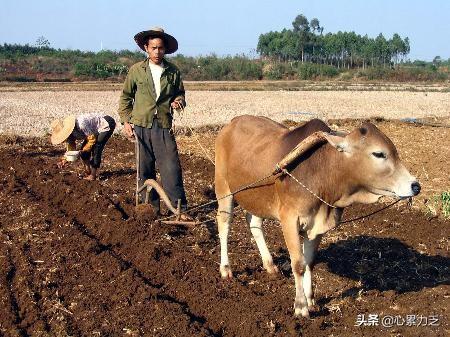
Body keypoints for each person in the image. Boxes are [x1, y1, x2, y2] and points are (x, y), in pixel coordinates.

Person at [118, 27, 188, 216]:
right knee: (145, 170)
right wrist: (126, 121)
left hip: (164, 126)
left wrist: (178, 101)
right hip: (141, 126)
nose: (157, 52)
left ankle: (179, 209)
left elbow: (180, 94)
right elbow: (125, 97)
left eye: (161, 48)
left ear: (165, 49)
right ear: (146, 48)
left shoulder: (173, 72)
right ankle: (150, 209)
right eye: (154, 48)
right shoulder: (136, 71)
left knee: (171, 168)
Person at [50, 113, 116, 180]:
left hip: (106, 124)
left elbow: (92, 139)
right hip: (94, 131)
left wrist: (83, 150)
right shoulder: (69, 135)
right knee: (84, 152)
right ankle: (88, 171)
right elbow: (71, 149)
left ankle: (93, 175)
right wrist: (64, 160)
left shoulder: (81, 124)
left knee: (97, 148)